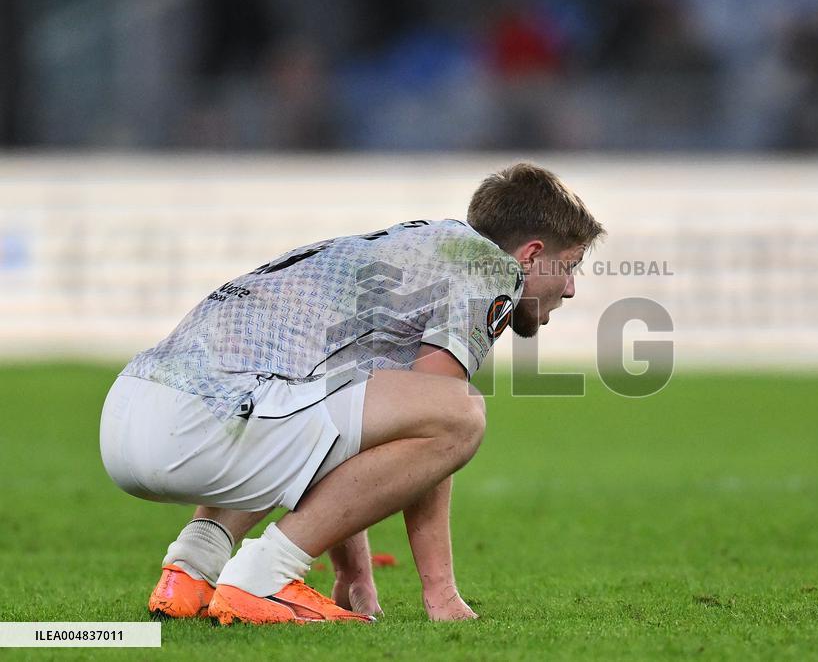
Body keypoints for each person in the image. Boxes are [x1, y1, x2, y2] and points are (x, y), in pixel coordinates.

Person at [99, 162, 605, 624]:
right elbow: (433, 412)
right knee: (460, 412)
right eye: (571, 265)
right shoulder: (489, 268)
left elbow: (349, 428)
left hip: (131, 410)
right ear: (532, 254)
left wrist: (355, 575)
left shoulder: (413, 246)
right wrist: (441, 594)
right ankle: (264, 580)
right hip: (203, 424)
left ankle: (190, 571)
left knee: (318, 408)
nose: (571, 289)